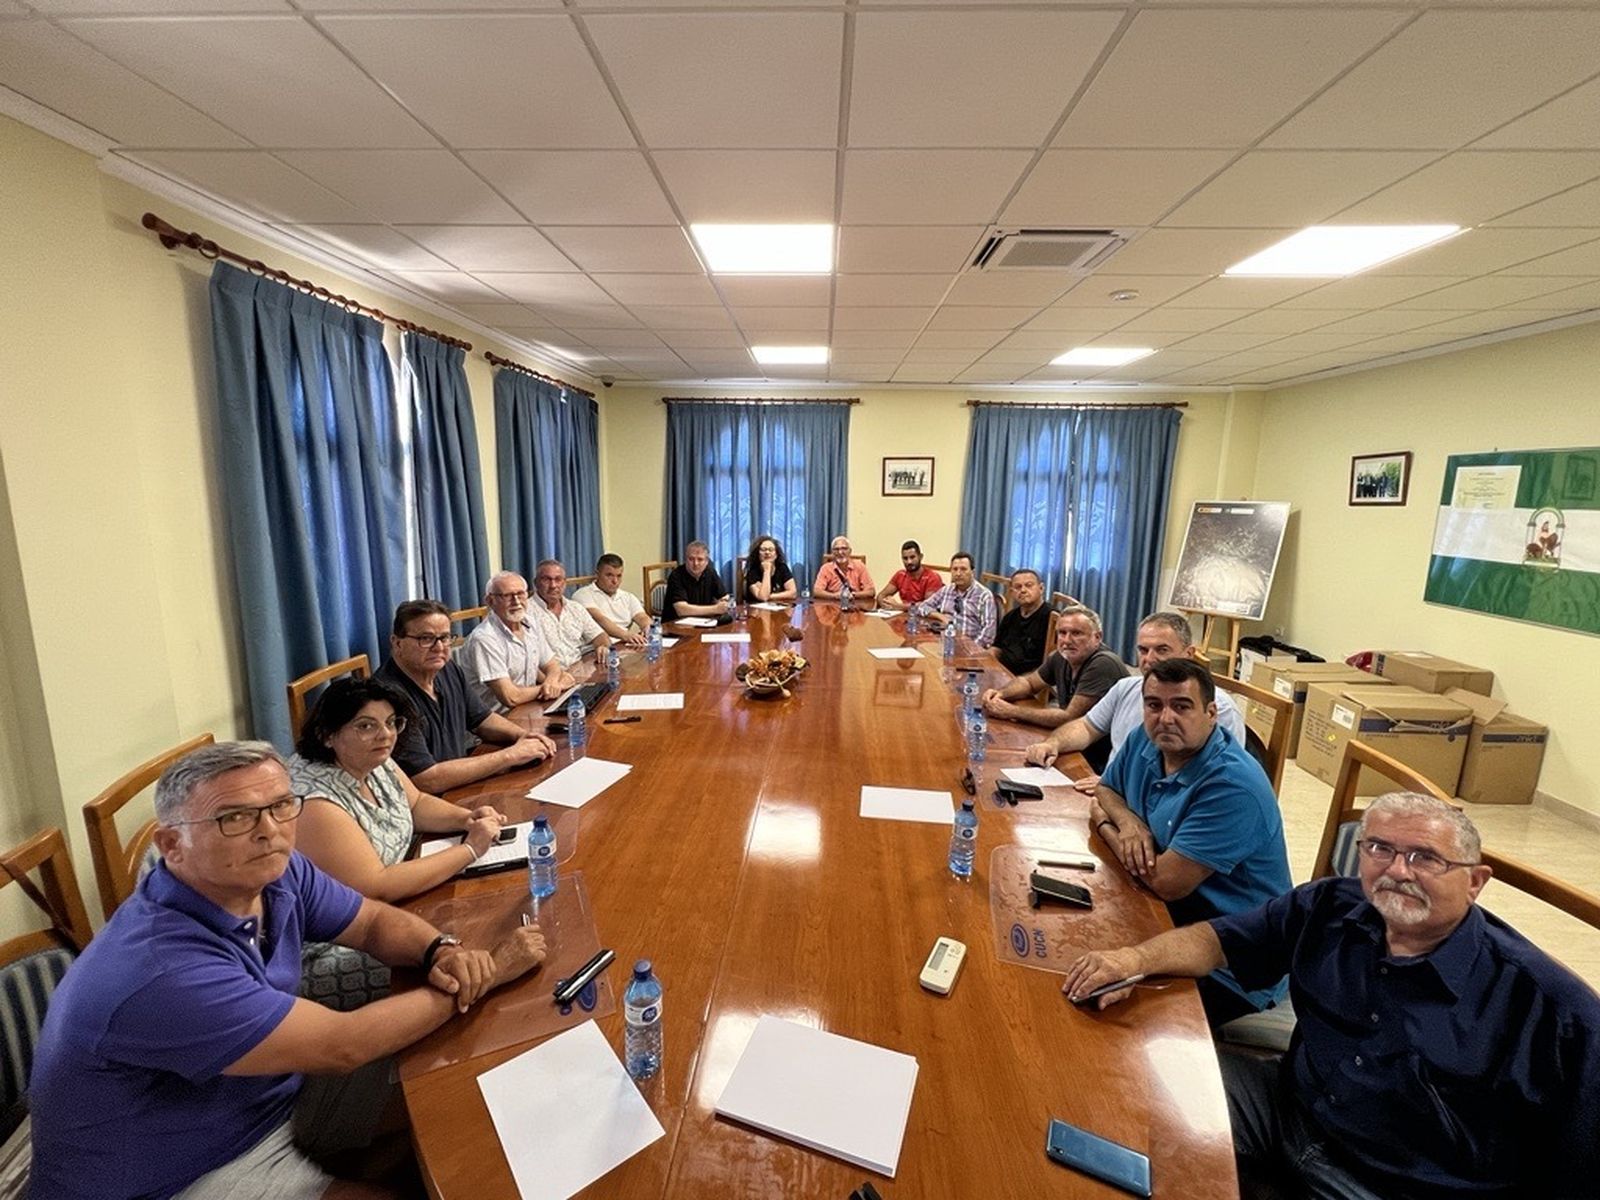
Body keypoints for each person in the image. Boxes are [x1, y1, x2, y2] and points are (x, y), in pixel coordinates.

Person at [28, 741, 549, 1200]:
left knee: (474, 1093)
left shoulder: (275, 869)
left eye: (281, 806)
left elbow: (369, 922)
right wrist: (490, 971)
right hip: (174, 1173)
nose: (270, 831)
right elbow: (341, 1045)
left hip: (265, 1093)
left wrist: (439, 950)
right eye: (235, 817)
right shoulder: (156, 970)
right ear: (172, 846)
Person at [1064, 792, 1600, 1200]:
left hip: (1387, 1184)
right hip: (1290, 1106)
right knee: (1133, 1091)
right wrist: (1132, 959)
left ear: (1476, 881)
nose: (1397, 870)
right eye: (1380, 849)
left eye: (1425, 858)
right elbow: (1217, 940)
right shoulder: (1330, 907)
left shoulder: (1552, 1012)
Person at [1087, 657, 1290, 1027]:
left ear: (1211, 713)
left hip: (1227, 963)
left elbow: (1166, 882)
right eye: (1154, 705)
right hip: (1160, 921)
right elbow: (1105, 789)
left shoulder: (1233, 785)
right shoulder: (1145, 740)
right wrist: (1129, 824)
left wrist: (1103, 824)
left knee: (1107, 1022)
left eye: (1181, 706)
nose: (1165, 718)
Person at [288, 677, 512, 1010]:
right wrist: (469, 850)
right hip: (334, 943)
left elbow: (417, 803)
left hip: (392, 906)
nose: (386, 734)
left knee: (485, 915)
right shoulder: (314, 803)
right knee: (464, 954)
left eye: (392, 722)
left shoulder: (373, 755)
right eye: (366, 726)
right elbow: (376, 886)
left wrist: (466, 818)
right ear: (327, 735)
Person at [1023, 610, 1245, 791]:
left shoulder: (1217, 709)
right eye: (1143, 650)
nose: (1150, 659)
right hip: (1108, 792)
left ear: (1189, 653)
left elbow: (1213, 780)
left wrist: (1122, 785)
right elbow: (1086, 727)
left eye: (1162, 650)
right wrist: (1053, 743)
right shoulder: (1126, 688)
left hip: (1151, 806)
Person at [377, 599, 557, 793]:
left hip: (460, 783)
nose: (439, 647)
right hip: (429, 806)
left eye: (445, 637)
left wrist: (523, 736)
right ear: (397, 643)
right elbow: (426, 779)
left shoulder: (447, 668)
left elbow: (482, 720)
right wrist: (511, 755)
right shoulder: (386, 697)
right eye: (426, 639)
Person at [981, 603, 1127, 734]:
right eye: (1062, 633)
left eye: (1076, 633)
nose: (1067, 640)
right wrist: (1000, 694)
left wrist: (1011, 711)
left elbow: (1068, 718)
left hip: (1101, 752)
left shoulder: (1103, 664)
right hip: (1073, 737)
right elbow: (1030, 683)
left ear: (1097, 637)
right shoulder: (1060, 656)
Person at [463, 570, 573, 711]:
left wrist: (552, 682)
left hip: (529, 707)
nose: (516, 601)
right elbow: (510, 697)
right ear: (490, 601)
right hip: (498, 721)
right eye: (507, 596)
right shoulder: (484, 638)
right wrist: (556, 686)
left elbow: (552, 664)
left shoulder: (530, 622)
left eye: (520, 594)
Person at [530, 558, 610, 667]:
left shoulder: (576, 608)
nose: (553, 585)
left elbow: (600, 636)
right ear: (536, 583)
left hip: (579, 673)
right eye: (546, 579)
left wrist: (602, 646)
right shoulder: (526, 612)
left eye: (558, 579)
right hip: (547, 678)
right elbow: (527, 659)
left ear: (565, 583)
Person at [916, 552, 997, 646]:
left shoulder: (984, 596)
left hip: (971, 649)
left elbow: (988, 633)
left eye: (963, 569)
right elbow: (922, 607)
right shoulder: (946, 590)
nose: (958, 573)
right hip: (945, 645)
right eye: (955, 569)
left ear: (972, 572)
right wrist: (940, 616)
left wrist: (971, 650)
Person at [573, 553, 650, 647]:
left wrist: (647, 628)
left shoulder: (628, 597)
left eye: (619, 576)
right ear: (597, 574)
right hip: (597, 648)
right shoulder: (583, 595)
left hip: (625, 645)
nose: (615, 581)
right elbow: (599, 620)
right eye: (609, 575)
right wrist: (626, 635)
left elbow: (642, 617)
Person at [989, 568, 1052, 674]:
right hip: (1002, 672)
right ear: (1012, 592)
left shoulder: (1051, 618)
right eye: (1018, 587)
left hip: (1030, 679)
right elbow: (997, 647)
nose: (1023, 590)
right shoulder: (1010, 617)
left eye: (1029, 585)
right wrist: (985, 661)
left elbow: (1051, 665)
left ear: (1041, 588)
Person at [664, 540, 729, 619]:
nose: (695, 563)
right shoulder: (676, 576)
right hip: (676, 626)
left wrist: (723, 603)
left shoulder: (710, 572)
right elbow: (681, 610)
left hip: (705, 623)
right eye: (691, 559)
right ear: (685, 559)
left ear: (707, 561)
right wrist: (716, 609)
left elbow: (724, 597)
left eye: (700, 559)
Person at [875, 540, 942, 611]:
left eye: (912, 557)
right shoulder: (900, 575)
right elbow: (881, 595)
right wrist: (885, 604)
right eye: (905, 558)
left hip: (924, 618)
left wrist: (898, 606)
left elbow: (927, 606)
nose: (909, 562)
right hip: (903, 616)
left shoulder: (932, 577)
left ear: (921, 557)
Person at [812, 535, 875, 601]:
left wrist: (854, 595)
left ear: (850, 551)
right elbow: (817, 592)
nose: (840, 552)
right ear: (832, 552)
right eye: (836, 549)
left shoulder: (860, 566)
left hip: (855, 605)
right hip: (832, 605)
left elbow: (871, 592)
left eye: (844, 549)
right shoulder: (826, 568)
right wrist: (834, 596)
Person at [743, 533, 797, 603]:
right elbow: (763, 598)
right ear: (758, 554)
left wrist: (770, 596)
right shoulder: (752, 572)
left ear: (776, 554)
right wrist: (767, 570)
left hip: (779, 609)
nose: (767, 552)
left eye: (771, 550)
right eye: (763, 550)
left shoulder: (782, 568)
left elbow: (793, 593)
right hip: (756, 611)